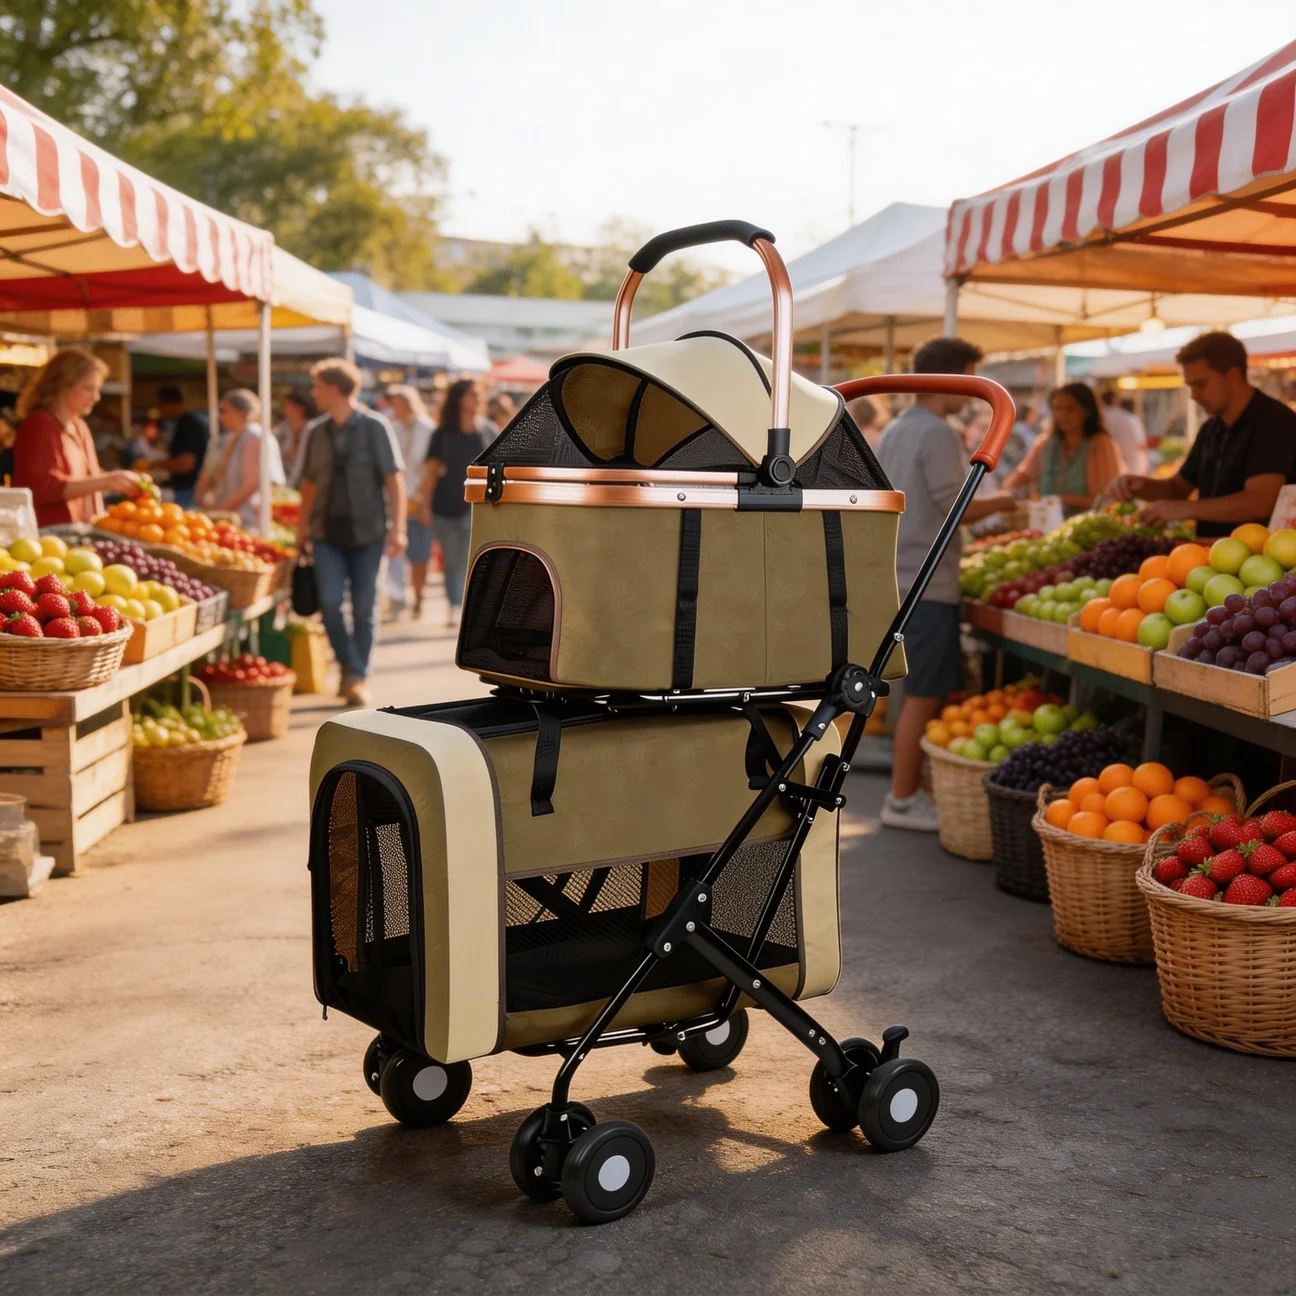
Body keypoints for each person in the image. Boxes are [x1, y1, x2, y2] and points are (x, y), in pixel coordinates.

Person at [875, 336, 1015, 833]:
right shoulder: (936, 432)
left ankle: (903, 788)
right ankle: (902, 797)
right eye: (971, 380)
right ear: (952, 379)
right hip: (926, 580)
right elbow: (958, 508)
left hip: (898, 573)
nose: (976, 394)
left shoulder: (897, 427)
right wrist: (1003, 501)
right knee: (925, 694)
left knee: (913, 689)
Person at [296, 358, 407, 707]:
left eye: (317, 388)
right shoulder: (316, 431)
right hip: (326, 533)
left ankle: (357, 677)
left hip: (369, 534)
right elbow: (309, 485)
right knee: (328, 602)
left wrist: (398, 529)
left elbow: (394, 480)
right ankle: (349, 664)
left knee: (364, 607)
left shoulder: (376, 427)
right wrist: (301, 530)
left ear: (334, 389)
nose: (313, 394)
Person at [1110, 331, 1296, 535]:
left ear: (1232, 375)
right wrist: (1138, 485)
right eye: (1190, 387)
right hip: (1212, 556)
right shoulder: (1211, 429)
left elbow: (1260, 501)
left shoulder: (1274, 421)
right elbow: (1177, 488)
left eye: (1200, 384)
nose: (1193, 396)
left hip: (1263, 560)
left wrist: (1186, 509)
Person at [12, 348, 140, 526]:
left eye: (98, 389)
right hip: (49, 536)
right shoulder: (39, 424)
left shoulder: (79, 426)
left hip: (80, 532)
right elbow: (44, 488)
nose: (96, 397)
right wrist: (106, 481)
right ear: (61, 386)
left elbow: (87, 479)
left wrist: (113, 483)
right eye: (88, 388)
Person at [418, 379, 492, 628]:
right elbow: (430, 473)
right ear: (460, 398)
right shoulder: (442, 434)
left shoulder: (488, 431)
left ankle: (471, 608)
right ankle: (455, 605)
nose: (479, 398)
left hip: (480, 508)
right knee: (452, 560)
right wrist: (425, 506)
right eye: (473, 393)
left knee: (475, 560)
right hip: (446, 506)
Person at [1003, 383, 1125, 513]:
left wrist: (1057, 500)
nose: (1062, 415)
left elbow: (1105, 498)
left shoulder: (1101, 444)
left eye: (1070, 409)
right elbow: (1020, 477)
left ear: (1087, 411)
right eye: (1057, 409)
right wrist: (1008, 493)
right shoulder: (1046, 444)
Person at [195, 389, 284, 529]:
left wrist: (221, 512)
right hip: (232, 518)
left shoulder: (254, 436)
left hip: (245, 520)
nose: (220, 416)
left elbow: (251, 483)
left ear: (241, 413)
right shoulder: (233, 437)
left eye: (224, 411)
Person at [385, 384, 436, 618]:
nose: (392, 406)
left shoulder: (427, 428)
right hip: (396, 499)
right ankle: (398, 598)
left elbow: (431, 468)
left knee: (420, 554)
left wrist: (424, 500)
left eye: (395, 402)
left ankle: (419, 596)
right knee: (394, 552)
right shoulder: (392, 428)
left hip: (419, 498)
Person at [151, 386, 210, 509]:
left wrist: (153, 464)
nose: (160, 410)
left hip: (189, 490)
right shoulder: (183, 422)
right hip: (187, 488)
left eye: (161, 406)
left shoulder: (189, 424)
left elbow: (185, 464)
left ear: (169, 404)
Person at [1100, 387, 1149, 476]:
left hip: (1111, 463)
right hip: (1131, 463)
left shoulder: (1101, 418)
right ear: (1116, 400)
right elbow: (1141, 443)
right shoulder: (1130, 418)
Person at [273, 391, 316, 487]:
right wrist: (284, 455)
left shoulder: (314, 429)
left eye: (289, 405)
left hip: (306, 481)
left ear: (300, 408)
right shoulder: (280, 430)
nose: (285, 409)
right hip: (285, 481)